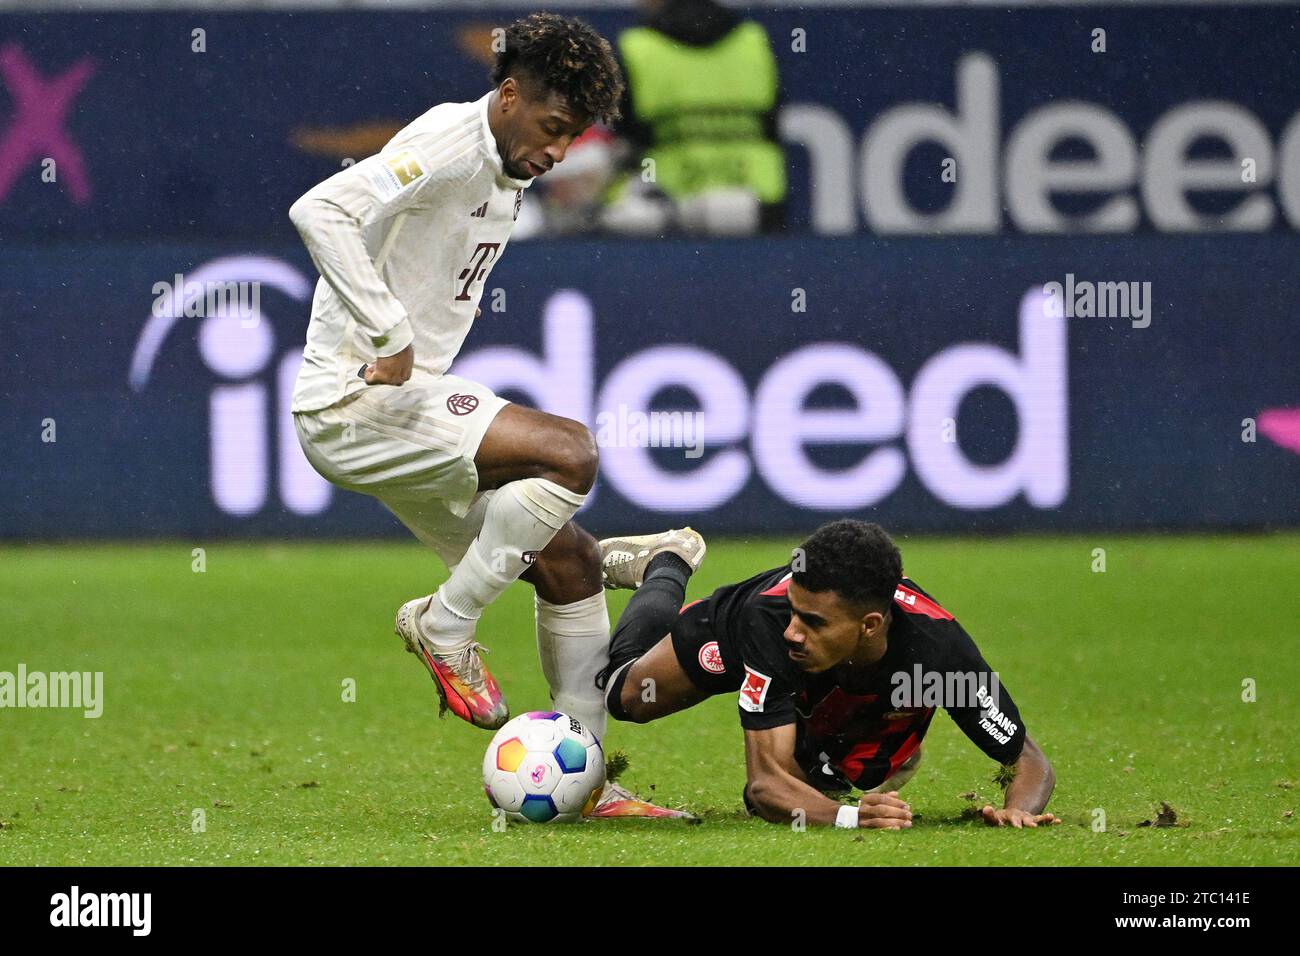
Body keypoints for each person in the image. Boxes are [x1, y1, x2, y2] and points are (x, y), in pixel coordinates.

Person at [287, 14, 629, 744]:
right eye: (553, 125)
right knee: (570, 452)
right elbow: (319, 210)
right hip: (354, 400)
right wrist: (392, 334)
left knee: (573, 564)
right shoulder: (451, 142)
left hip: (400, 408)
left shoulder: (509, 165)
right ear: (509, 96)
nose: (559, 151)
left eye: (574, 137)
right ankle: (444, 623)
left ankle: (587, 772)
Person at [595, 521, 1059, 829]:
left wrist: (1018, 812)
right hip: (734, 638)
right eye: (796, 612)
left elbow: (1029, 760)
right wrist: (850, 818)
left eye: (813, 621)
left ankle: (863, 744)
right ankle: (667, 560)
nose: (793, 632)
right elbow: (763, 788)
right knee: (625, 697)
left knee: (823, 781)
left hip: (832, 685)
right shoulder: (771, 622)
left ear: (870, 625)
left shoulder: (938, 652)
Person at [611, 0, 787, 234]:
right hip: (760, 204)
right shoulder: (754, 39)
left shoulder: (635, 48)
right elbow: (774, 121)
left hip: (669, 213)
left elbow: (621, 138)